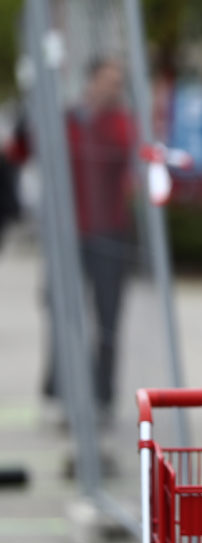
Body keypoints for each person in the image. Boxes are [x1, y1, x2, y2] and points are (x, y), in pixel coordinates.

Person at [19, 59, 136, 434]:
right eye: (106, 80)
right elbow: (23, 151)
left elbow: (124, 152)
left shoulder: (120, 123)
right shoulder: (67, 120)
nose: (111, 88)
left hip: (109, 233)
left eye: (118, 82)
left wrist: (99, 118)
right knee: (63, 316)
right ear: (91, 81)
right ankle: (60, 393)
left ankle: (102, 397)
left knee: (107, 320)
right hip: (68, 235)